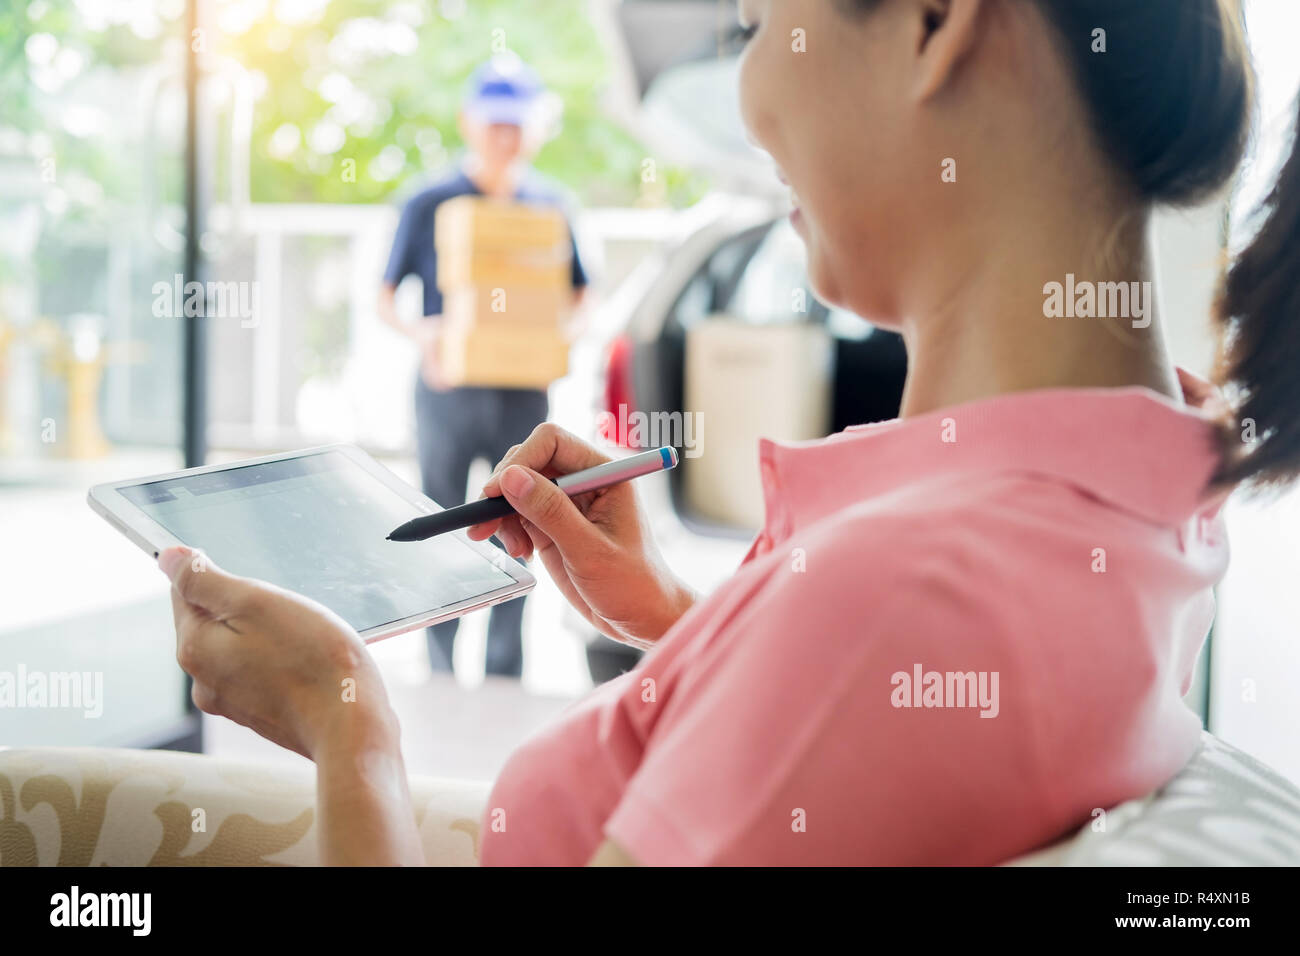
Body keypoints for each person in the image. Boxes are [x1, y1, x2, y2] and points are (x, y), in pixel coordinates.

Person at [159, 0, 1299, 865]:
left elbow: (880, 645)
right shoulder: (1158, 483)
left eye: (754, 25)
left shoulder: (894, 596)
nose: (748, 102)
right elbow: (881, 727)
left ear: (936, 23)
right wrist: (684, 624)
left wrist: (343, 721)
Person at [377, 54, 589, 678]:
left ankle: (503, 672)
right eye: (495, 123)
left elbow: (583, 292)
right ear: (469, 122)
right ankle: (441, 666)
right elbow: (385, 297)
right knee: (445, 521)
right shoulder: (430, 202)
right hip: (448, 390)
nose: (506, 135)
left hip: (524, 394)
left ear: (534, 128)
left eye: (517, 123)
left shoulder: (550, 206)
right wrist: (426, 334)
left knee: (518, 521)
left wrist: (563, 340)